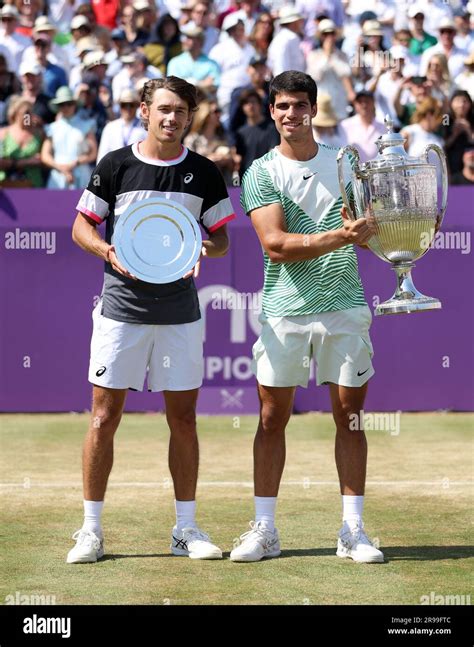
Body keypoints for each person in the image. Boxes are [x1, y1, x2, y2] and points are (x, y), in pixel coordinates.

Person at [67, 76, 235, 563]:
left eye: (180, 111)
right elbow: (81, 225)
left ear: (189, 117)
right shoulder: (115, 165)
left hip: (180, 311)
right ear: (144, 110)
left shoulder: (204, 172)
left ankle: (185, 529)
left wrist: (209, 245)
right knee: (103, 416)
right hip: (120, 309)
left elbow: (223, 239)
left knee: (183, 419)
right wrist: (106, 249)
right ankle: (91, 532)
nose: (171, 118)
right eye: (163, 109)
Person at [233, 70, 383, 564]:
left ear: (313, 109)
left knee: (350, 419)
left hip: (344, 305)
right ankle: (266, 529)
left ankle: (354, 530)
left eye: (299, 105)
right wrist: (343, 236)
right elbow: (275, 246)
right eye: (282, 106)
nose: (291, 114)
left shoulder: (345, 163)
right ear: (272, 111)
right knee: (272, 418)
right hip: (284, 312)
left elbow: (369, 229)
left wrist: (405, 226)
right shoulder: (259, 171)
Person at [41, 86, 97, 189]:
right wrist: (61, 168)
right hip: (57, 176)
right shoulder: (52, 128)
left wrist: (76, 163)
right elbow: (45, 155)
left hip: (80, 173)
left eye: (69, 104)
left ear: (74, 105)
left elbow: (93, 153)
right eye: (62, 104)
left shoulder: (86, 125)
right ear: (58, 106)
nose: (66, 107)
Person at [306, 18, 354, 122]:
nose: (329, 37)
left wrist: (332, 56)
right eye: (325, 34)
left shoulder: (342, 55)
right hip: (323, 105)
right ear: (321, 36)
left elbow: (345, 73)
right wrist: (326, 56)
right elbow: (315, 76)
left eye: (332, 33)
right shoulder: (314, 55)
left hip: (340, 104)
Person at [184, 99, 235, 184]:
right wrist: (210, 160)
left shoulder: (222, 138)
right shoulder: (192, 139)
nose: (219, 114)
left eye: (220, 111)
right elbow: (187, 165)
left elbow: (232, 168)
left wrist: (227, 160)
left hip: (222, 187)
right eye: (216, 111)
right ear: (206, 115)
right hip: (199, 186)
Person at [0, 96, 44, 187]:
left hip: (32, 187)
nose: (30, 116)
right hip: (5, 187)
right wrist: (27, 162)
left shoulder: (39, 134)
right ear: (15, 113)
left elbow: (44, 159)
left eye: (31, 112)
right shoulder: (3, 134)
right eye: (26, 113)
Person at [166, 23, 220, 93]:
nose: (185, 41)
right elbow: (173, 85)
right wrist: (200, 84)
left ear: (200, 41)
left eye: (189, 38)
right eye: (186, 38)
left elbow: (213, 85)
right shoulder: (175, 62)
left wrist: (186, 82)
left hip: (203, 101)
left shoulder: (212, 64)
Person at [97, 88, 146, 162]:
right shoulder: (110, 128)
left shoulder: (145, 127)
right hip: (114, 171)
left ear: (137, 106)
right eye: (124, 105)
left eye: (131, 105)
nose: (128, 108)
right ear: (119, 106)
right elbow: (102, 156)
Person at [339, 90, 385, 162]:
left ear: (373, 103)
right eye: (360, 102)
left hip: (378, 171)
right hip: (353, 171)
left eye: (367, 101)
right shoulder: (344, 125)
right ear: (355, 104)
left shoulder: (383, 127)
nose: (364, 105)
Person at [267, 6, 306, 78]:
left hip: (291, 83)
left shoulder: (280, 38)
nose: (301, 23)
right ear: (294, 22)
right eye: (299, 21)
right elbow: (281, 68)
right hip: (290, 85)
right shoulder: (289, 38)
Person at [443, 90, 474, 176]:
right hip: (451, 163)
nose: (461, 105)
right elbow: (443, 144)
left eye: (465, 101)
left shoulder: (472, 118)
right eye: (457, 101)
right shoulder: (446, 118)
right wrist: (454, 134)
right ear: (451, 103)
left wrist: (468, 130)